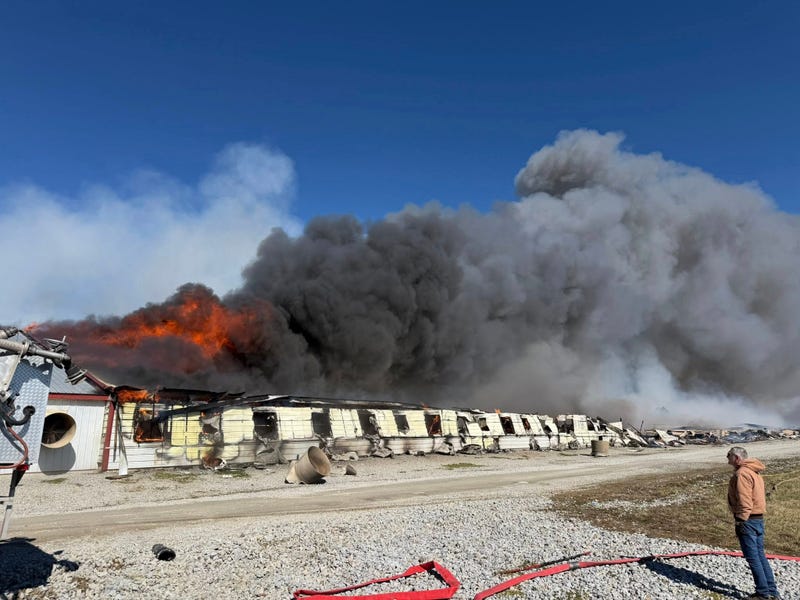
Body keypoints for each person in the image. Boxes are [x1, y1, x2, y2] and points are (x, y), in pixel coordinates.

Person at [727, 446, 780, 599]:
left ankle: (763, 593)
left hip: (748, 520)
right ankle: (771, 591)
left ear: (736, 458)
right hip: (757, 519)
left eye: (728, 455)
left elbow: (745, 500)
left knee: (753, 558)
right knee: (760, 556)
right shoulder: (753, 471)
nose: (727, 459)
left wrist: (740, 520)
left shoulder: (742, 474)